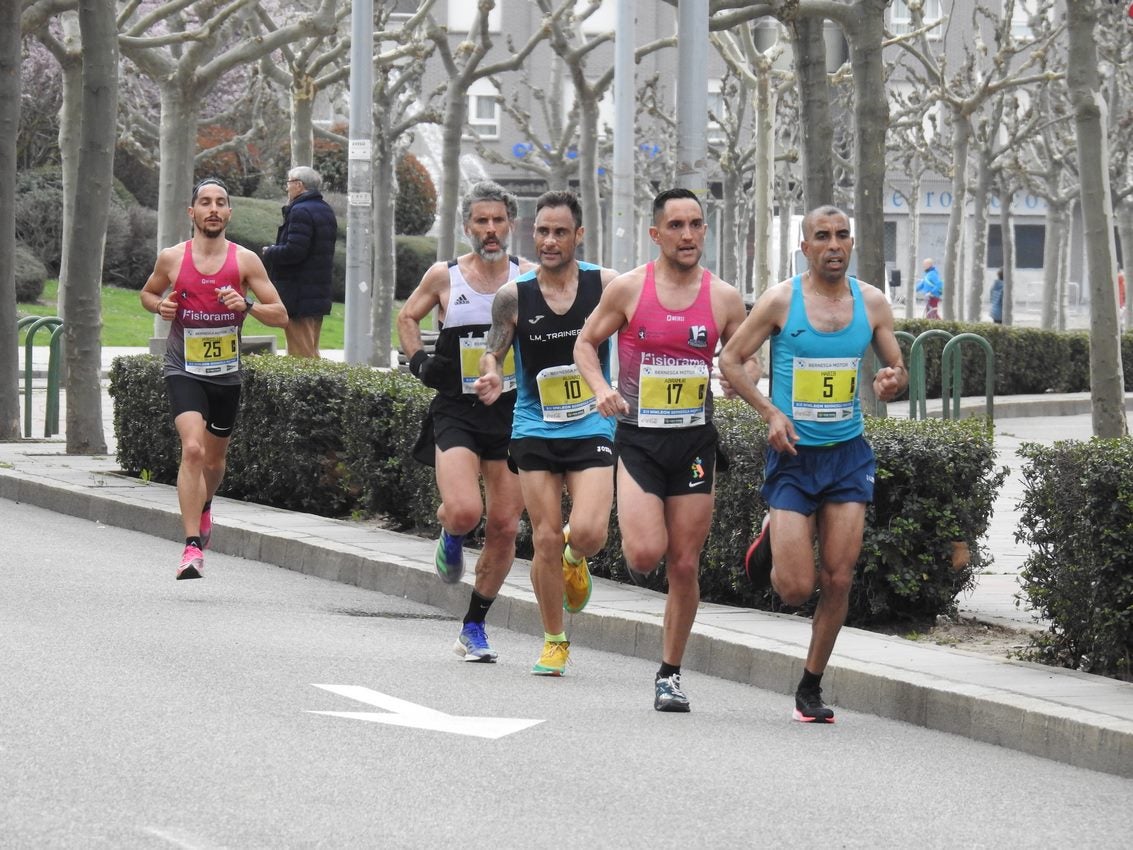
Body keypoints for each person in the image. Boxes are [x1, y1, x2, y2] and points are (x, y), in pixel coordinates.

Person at [718, 204, 908, 724]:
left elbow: (897, 368)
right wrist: (770, 413)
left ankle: (810, 686)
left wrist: (893, 381)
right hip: (793, 457)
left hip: (848, 456)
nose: (833, 244)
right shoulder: (782, 301)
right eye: (821, 236)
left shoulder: (872, 303)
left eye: (841, 235)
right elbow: (730, 360)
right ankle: (769, 537)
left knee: (840, 577)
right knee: (795, 588)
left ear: (851, 243)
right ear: (804, 247)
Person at [574, 187, 756, 711]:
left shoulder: (723, 296)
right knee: (645, 554)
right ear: (656, 234)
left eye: (696, 224)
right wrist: (602, 389)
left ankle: (669, 675)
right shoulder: (630, 289)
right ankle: (584, 545)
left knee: (683, 563)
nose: (687, 235)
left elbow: (743, 356)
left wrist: (738, 376)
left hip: (695, 442)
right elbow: (585, 344)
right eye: (675, 226)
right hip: (640, 440)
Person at [473, 191, 619, 676]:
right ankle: (554, 639)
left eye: (560, 231)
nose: (549, 241)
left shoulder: (607, 285)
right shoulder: (514, 294)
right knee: (545, 537)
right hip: (535, 424)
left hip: (592, 420)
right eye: (542, 231)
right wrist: (491, 371)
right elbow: (494, 350)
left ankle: (580, 557)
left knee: (592, 531)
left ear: (579, 235)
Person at [396, 180, 533, 663]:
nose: (491, 230)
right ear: (467, 226)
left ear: (511, 224)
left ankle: (474, 626)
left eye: (498, 221)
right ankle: (451, 533)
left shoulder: (528, 278)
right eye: (482, 221)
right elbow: (407, 317)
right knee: (463, 510)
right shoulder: (444, 276)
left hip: (513, 413)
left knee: (504, 526)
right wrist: (418, 362)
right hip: (457, 409)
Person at [140, 177, 289, 579]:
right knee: (192, 449)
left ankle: (205, 505)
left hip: (225, 373)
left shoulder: (244, 261)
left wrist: (249, 305)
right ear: (192, 213)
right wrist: (161, 306)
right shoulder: (172, 258)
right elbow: (148, 293)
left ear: (228, 213)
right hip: (182, 366)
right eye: (205, 203)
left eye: (220, 203)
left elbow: (281, 314)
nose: (213, 209)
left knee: (215, 458)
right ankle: (191, 548)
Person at [261, 166, 338, 358]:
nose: (287, 188)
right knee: (311, 350)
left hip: (299, 295)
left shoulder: (300, 211)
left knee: (301, 356)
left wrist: (270, 252)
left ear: (298, 185)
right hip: (317, 294)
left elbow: (295, 251)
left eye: (288, 182)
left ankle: (310, 389)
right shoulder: (325, 210)